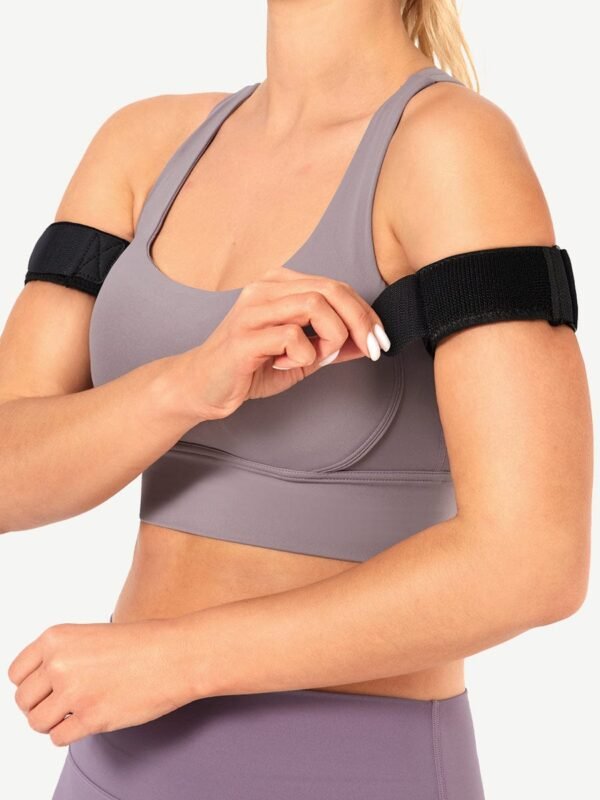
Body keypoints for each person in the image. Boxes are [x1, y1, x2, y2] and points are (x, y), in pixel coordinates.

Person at [1, 1, 592, 799]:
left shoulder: (450, 148)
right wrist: (188, 383)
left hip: (348, 770)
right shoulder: (140, 146)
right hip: (114, 760)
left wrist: (174, 659)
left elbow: (534, 563)